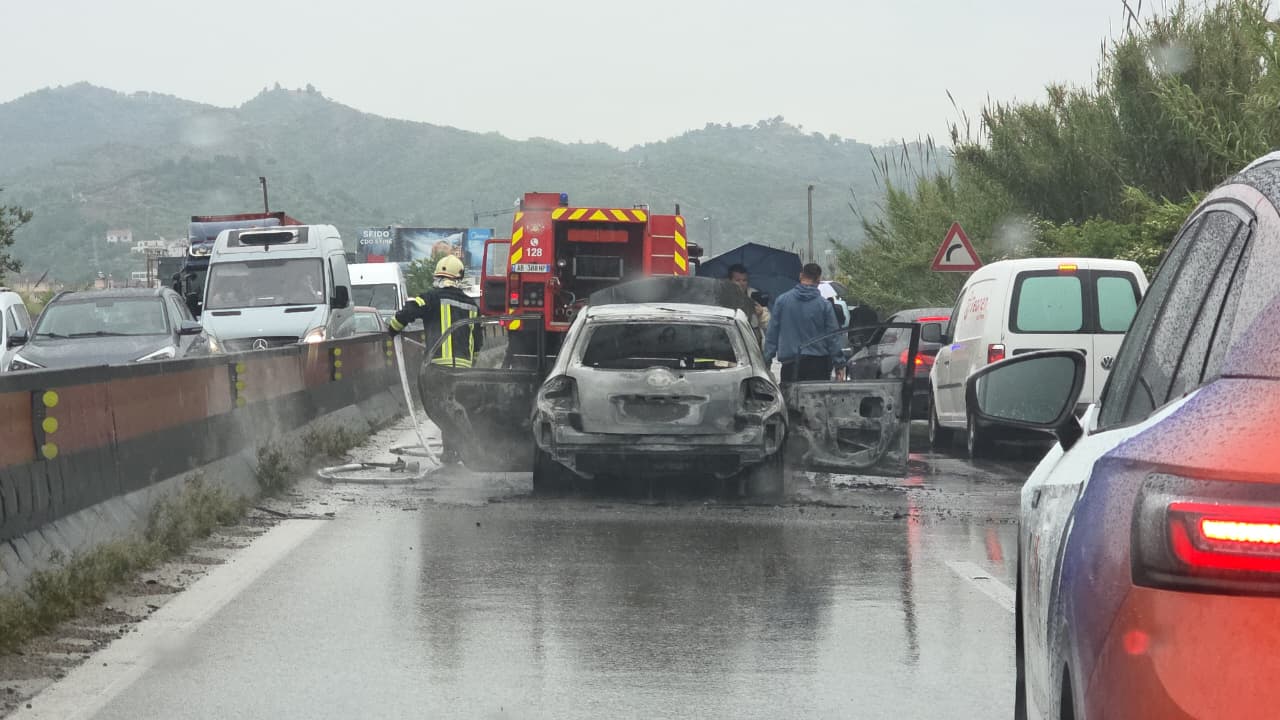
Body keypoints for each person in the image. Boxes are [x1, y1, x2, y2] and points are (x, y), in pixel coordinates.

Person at [387, 255, 484, 465]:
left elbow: (407, 313)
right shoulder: (471, 305)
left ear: (439, 277)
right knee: (454, 408)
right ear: (459, 278)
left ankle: (469, 452)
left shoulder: (431, 298)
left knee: (440, 411)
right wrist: (472, 363)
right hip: (464, 371)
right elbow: (478, 341)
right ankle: (453, 453)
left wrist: (393, 329)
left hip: (438, 368)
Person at [764, 263, 845, 382]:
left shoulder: (782, 301)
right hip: (818, 365)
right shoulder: (824, 305)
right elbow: (832, 337)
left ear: (801, 275)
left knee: (791, 399)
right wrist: (839, 364)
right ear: (818, 279)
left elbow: (772, 333)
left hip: (790, 365)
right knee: (817, 400)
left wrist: (767, 359)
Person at [727, 263, 770, 345]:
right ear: (730, 281)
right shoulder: (724, 296)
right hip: (731, 342)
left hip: (752, 343)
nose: (742, 283)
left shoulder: (754, 296)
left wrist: (761, 314)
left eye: (744, 280)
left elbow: (769, 327)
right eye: (738, 280)